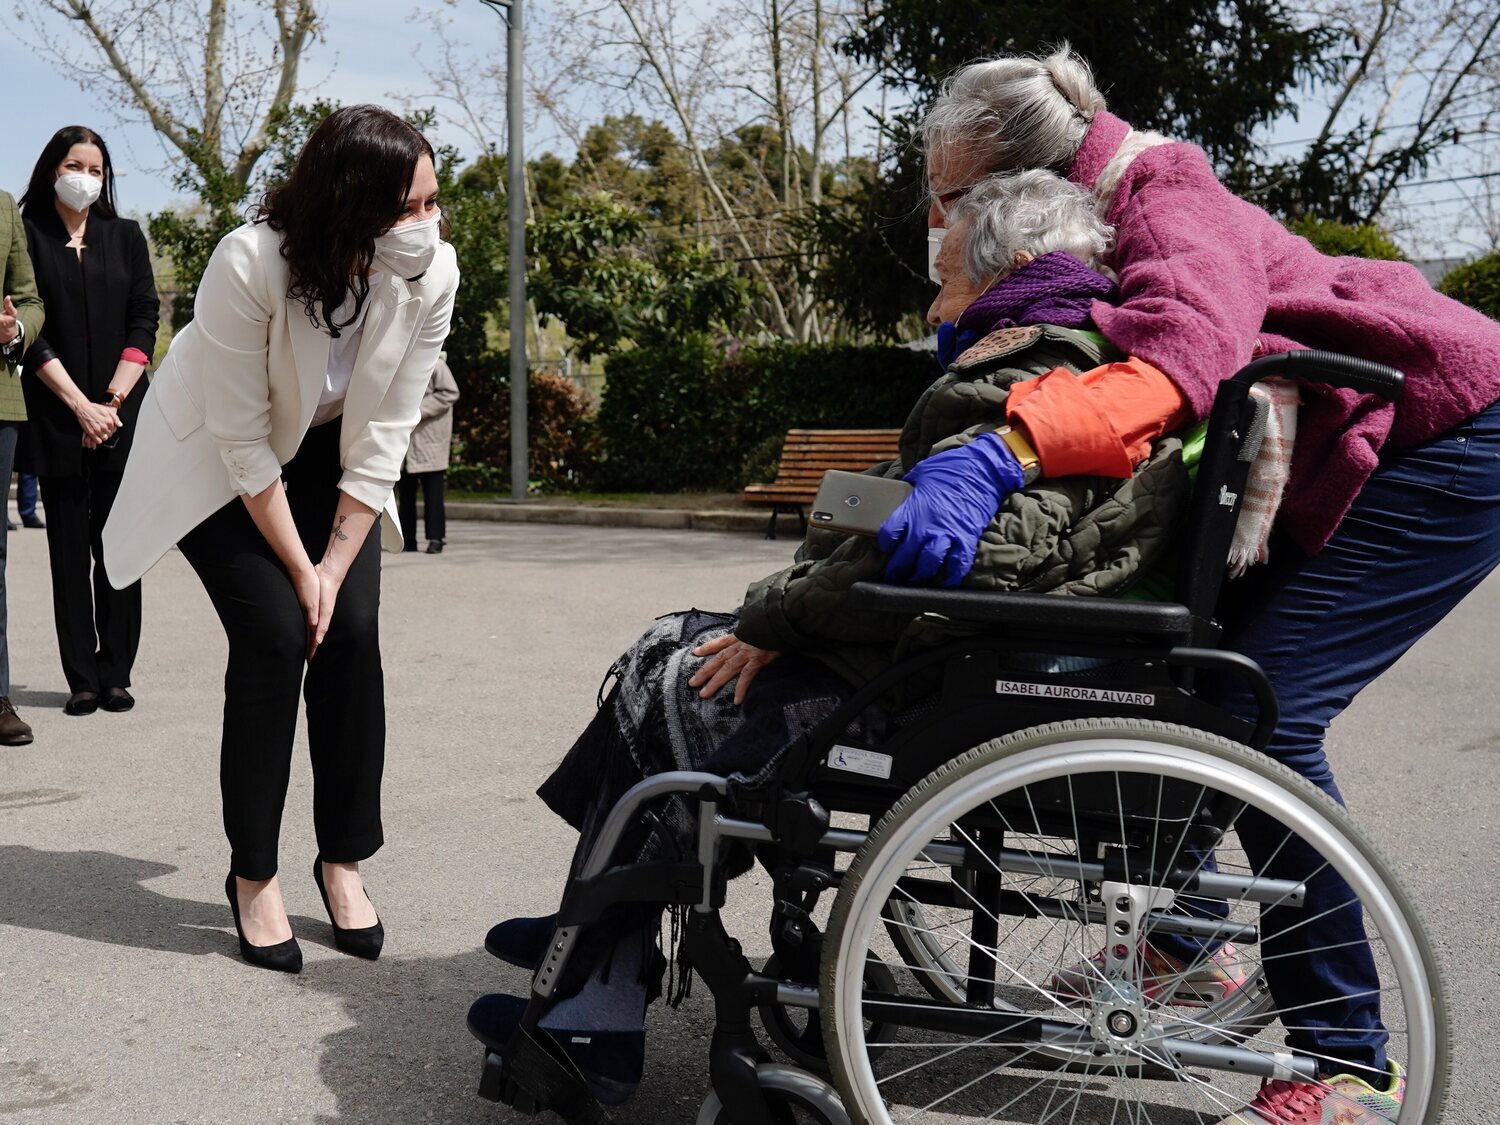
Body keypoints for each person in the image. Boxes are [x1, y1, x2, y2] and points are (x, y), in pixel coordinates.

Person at [468, 170, 1199, 1104]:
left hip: (928, 672)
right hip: (945, 653)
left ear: (1011, 269)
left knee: (671, 675)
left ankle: (595, 1008)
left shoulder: (1029, 375)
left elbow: (956, 561)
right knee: (671, 650)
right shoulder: (1082, 361)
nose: (933, 302)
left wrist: (777, 614)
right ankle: (598, 927)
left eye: (943, 279)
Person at [905, 45, 1500, 1124]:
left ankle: (1351, 1067)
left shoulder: (1164, 194)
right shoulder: (1108, 204)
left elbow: (1178, 362)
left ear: (1009, 181)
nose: (938, 220)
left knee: (1262, 712)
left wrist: (1006, 449)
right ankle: (1185, 946)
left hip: (1456, 432)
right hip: (1381, 429)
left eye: (947, 198)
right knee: (1200, 686)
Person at [101, 105, 459, 974]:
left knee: (352, 633)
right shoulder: (249, 260)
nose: (429, 224)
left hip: (327, 460)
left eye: (433, 201)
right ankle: (253, 874)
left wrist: (335, 566)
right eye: (408, 208)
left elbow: (387, 432)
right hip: (225, 460)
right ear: (349, 204)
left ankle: (342, 859)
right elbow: (242, 440)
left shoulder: (431, 274)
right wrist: (301, 573)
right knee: (274, 634)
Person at [18, 126, 159, 717]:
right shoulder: (26, 237)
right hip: (57, 414)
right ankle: (80, 675)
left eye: (97, 169)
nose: (86, 177)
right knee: (68, 550)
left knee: (120, 548)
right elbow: (31, 325)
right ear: (53, 168)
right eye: (76, 165)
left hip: (121, 416)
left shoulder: (124, 236)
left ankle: (117, 672)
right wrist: (79, 405)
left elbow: (144, 317)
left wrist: (112, 403)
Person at [0, 189, 43, 746]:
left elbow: (30, 300)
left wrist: (14, 330)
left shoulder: (4, 206)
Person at [397, 349, 459, 554]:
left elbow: (450, 393)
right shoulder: (400, 362)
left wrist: (417, 410)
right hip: (405, 441)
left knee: (433, 493)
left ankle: (436, 539)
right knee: (406, 494)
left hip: (430, 440)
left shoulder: (437, 364)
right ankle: (407, 540)